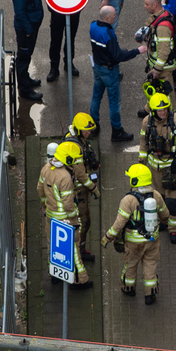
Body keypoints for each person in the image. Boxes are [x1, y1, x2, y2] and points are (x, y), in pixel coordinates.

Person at [103, 164, 170, 305]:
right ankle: (150, 294)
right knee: (150, 265)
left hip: (134, 243)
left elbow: (119, 223)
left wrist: (108, 237)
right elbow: (165, 215)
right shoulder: (156, 195)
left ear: (134, 181)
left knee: (131, 265)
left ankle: (129, 289)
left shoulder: (128, 200)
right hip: (152, 239)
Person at [36, 142, 92, 289]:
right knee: (74, 248)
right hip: (66, 219)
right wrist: (74, 217)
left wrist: (44, 205)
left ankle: (55, 275)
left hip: (51, 216)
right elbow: (68, 203)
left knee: (52, 245)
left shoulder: (46, 169)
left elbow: (40, 189)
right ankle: (81, 280)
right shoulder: (65, 177)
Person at [138, 93, 176, 244]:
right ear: (153, 111)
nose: (163, 112)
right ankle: (163, 222)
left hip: (173, 167)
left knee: (173, 201)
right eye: (159, 110)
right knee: (159, 197)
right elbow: (143, 142)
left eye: (165, 109)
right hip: (156, 167)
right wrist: (141, 162)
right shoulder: (146, 122)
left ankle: (174, 230)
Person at [89, 6, 145, 143]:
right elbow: (118, 56)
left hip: (98, 67)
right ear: (108, 18)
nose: (116, 17)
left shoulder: (93, 25)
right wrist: (137, 51)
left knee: (96, 97)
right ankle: (117, 131)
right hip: (109, 71)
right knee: (114, 102)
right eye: (114, 15)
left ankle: (93, 125)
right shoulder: (109, 33)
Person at [64, 113, 101, 265]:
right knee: (83, 222)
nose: (89, 133)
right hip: (78, 193)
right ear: (78, 130)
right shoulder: (74, 146)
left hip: (80, 191)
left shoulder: (78, 140)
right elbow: (80, 174)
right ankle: (77, 253)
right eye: (86, 131)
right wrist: (94, 188)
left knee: (86, 222)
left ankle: (81, 250)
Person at [45, 0, 86, 82]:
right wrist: (54, 10)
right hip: (57, 15)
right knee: (55, 41)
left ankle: (69, 63)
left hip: (73, 14)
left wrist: (77, 9)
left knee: (70, 39)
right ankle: (54, 67)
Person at [137, 0, 176, 118]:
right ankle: (150, 108)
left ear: (155, 5)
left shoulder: (163, 27)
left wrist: (156, 69)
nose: (145, 6)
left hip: (162, 67)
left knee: (166, 92)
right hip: (155, 64)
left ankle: (171, 116)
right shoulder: (158, 15)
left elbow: (164, 51)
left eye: (147, 4)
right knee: (155, 88)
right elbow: (148, 24)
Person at [11, 0, 45, 102]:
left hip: (31, 26)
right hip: (26, 30)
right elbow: (20, 13)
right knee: (23, 58)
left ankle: (26, 79)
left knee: (27, 55)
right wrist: (29, 29)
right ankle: (24, 90)